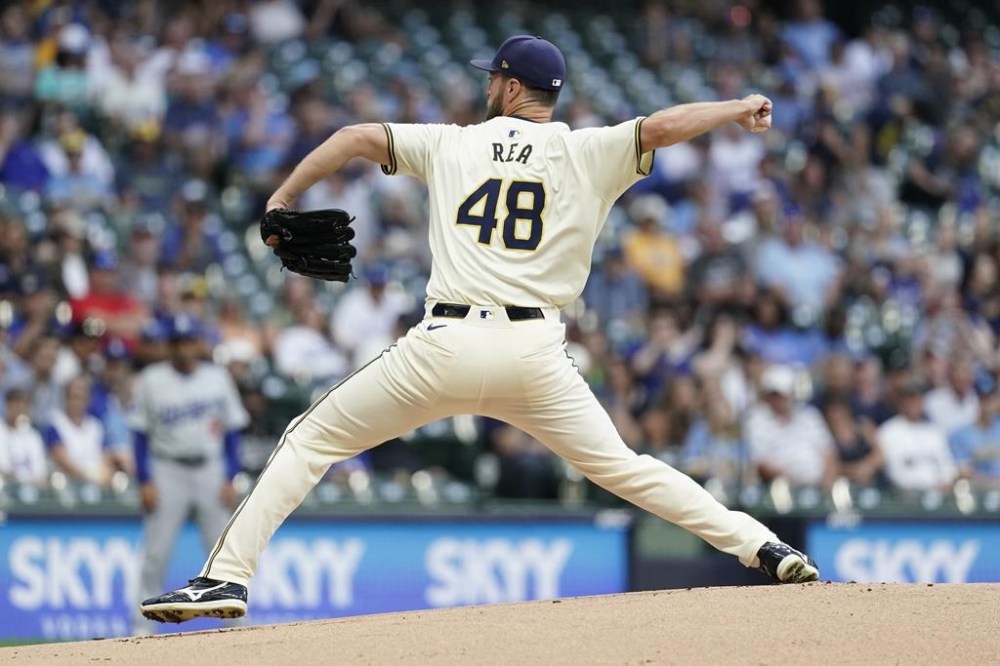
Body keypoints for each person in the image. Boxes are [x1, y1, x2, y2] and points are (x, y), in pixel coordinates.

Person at [140, 34, 818, 624]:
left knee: (310, 439)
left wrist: (282, 201)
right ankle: (762, 545)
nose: (487, 85)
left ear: (511, 85)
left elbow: (350, 139)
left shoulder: (453, 144)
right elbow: (663, 128)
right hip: (536, 354)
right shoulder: (588, 151)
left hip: (446, 345)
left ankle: (227, 576)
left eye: (491, 76)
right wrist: (735, 108)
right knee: (628, 470)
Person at [131, 313, 249, 633]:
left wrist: (230, 476)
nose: (183, 348)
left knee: (223, 552)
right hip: (167, 469)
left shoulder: (217, 377)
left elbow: (233, 432)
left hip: (210, 469)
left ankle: (236, 621)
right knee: (156, 552)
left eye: (188, 341)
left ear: (198, 344)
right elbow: (140, 434)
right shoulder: (151, 379)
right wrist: (145, 480)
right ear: (169, 346)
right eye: (177, 343)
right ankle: (142, 627)